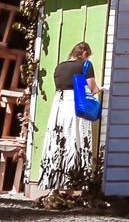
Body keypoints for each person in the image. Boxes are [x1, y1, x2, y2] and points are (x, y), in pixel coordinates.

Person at [37, 41, 100, 194]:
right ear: (85, 53)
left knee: (58, 142)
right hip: (75, 105)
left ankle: (55, 187)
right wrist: (98, 90)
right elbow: (92, 88)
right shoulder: (85, 64)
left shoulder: (60, 67)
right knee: (74, 142)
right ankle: (71, 188)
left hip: (58, 108)